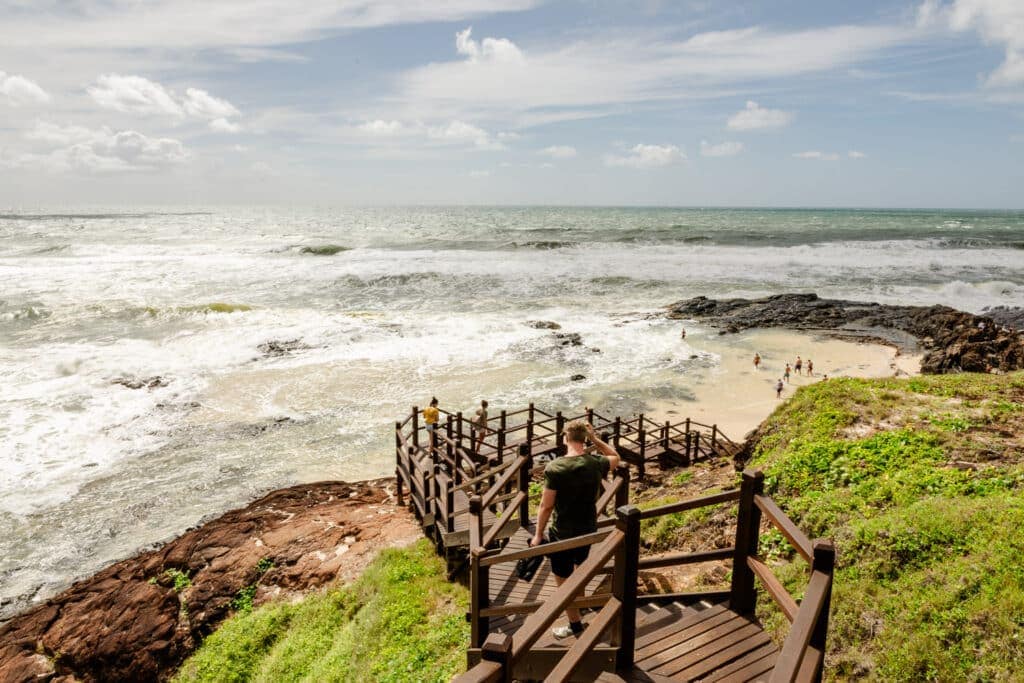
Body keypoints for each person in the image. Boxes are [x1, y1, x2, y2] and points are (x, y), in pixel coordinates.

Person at [531, 420, 620, 639]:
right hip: (587, 530)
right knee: (579, 573)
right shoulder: (595, 463)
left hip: (562, 534)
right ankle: (580, 607)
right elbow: (615, 457)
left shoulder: (555, 468)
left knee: (564, 581)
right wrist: (595, 439)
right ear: (584, 439)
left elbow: (546, 506)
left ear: (565, 438)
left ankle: (575, 625)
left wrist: (537, 535)